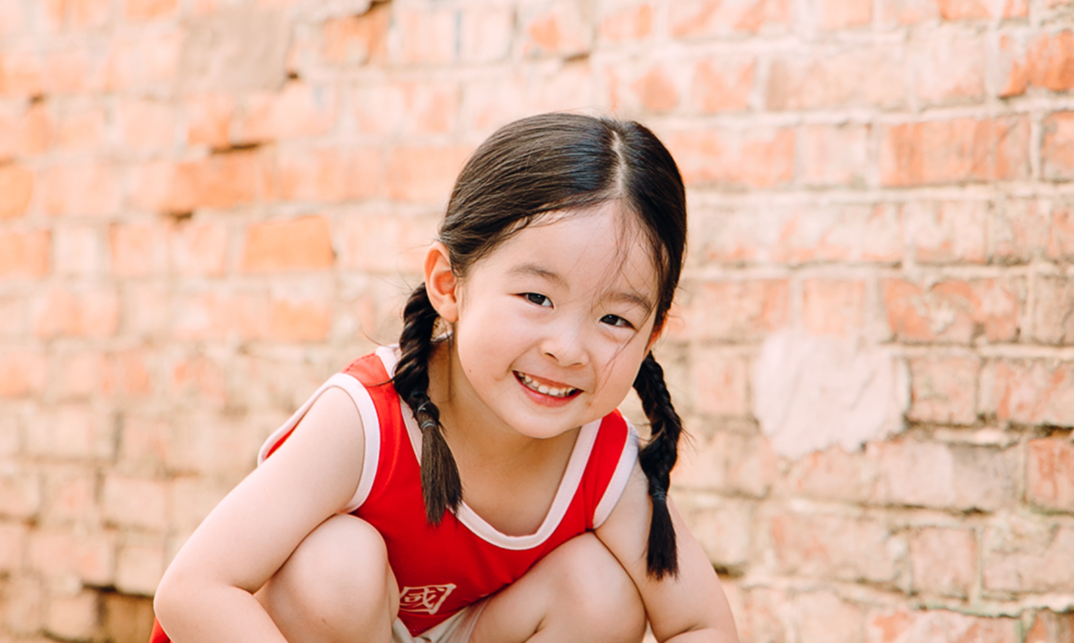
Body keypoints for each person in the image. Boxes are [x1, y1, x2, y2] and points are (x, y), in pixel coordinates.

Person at [150, 112, 739, 643]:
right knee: (334, 565)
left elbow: (704, 625)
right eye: (536, 297)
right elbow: (192, 591)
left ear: (652, 335)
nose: (566, 349)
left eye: (614, 319)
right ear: (448, 284)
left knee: (601, 591)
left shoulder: (602, 462)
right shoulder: (366, 422)